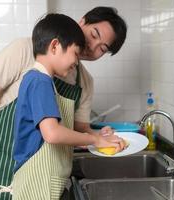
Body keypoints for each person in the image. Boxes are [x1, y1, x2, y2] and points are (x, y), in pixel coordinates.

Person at [0, 6, 127, 200]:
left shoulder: (84, 82)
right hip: (0, 161)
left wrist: (98, 135)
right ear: (82, 21)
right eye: (94, 35)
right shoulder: (25, 51)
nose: (92, 47)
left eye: (102, 48)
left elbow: (79, 128)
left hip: (40, 177)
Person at [9, 13, 126, 200]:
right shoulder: (40, 81)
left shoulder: (41, 80)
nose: (76, 62)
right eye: (75, 54)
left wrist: (97, 136)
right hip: (37, 180)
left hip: (43, 178)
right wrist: (94, 140)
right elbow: (52, 133)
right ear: (55, 46)